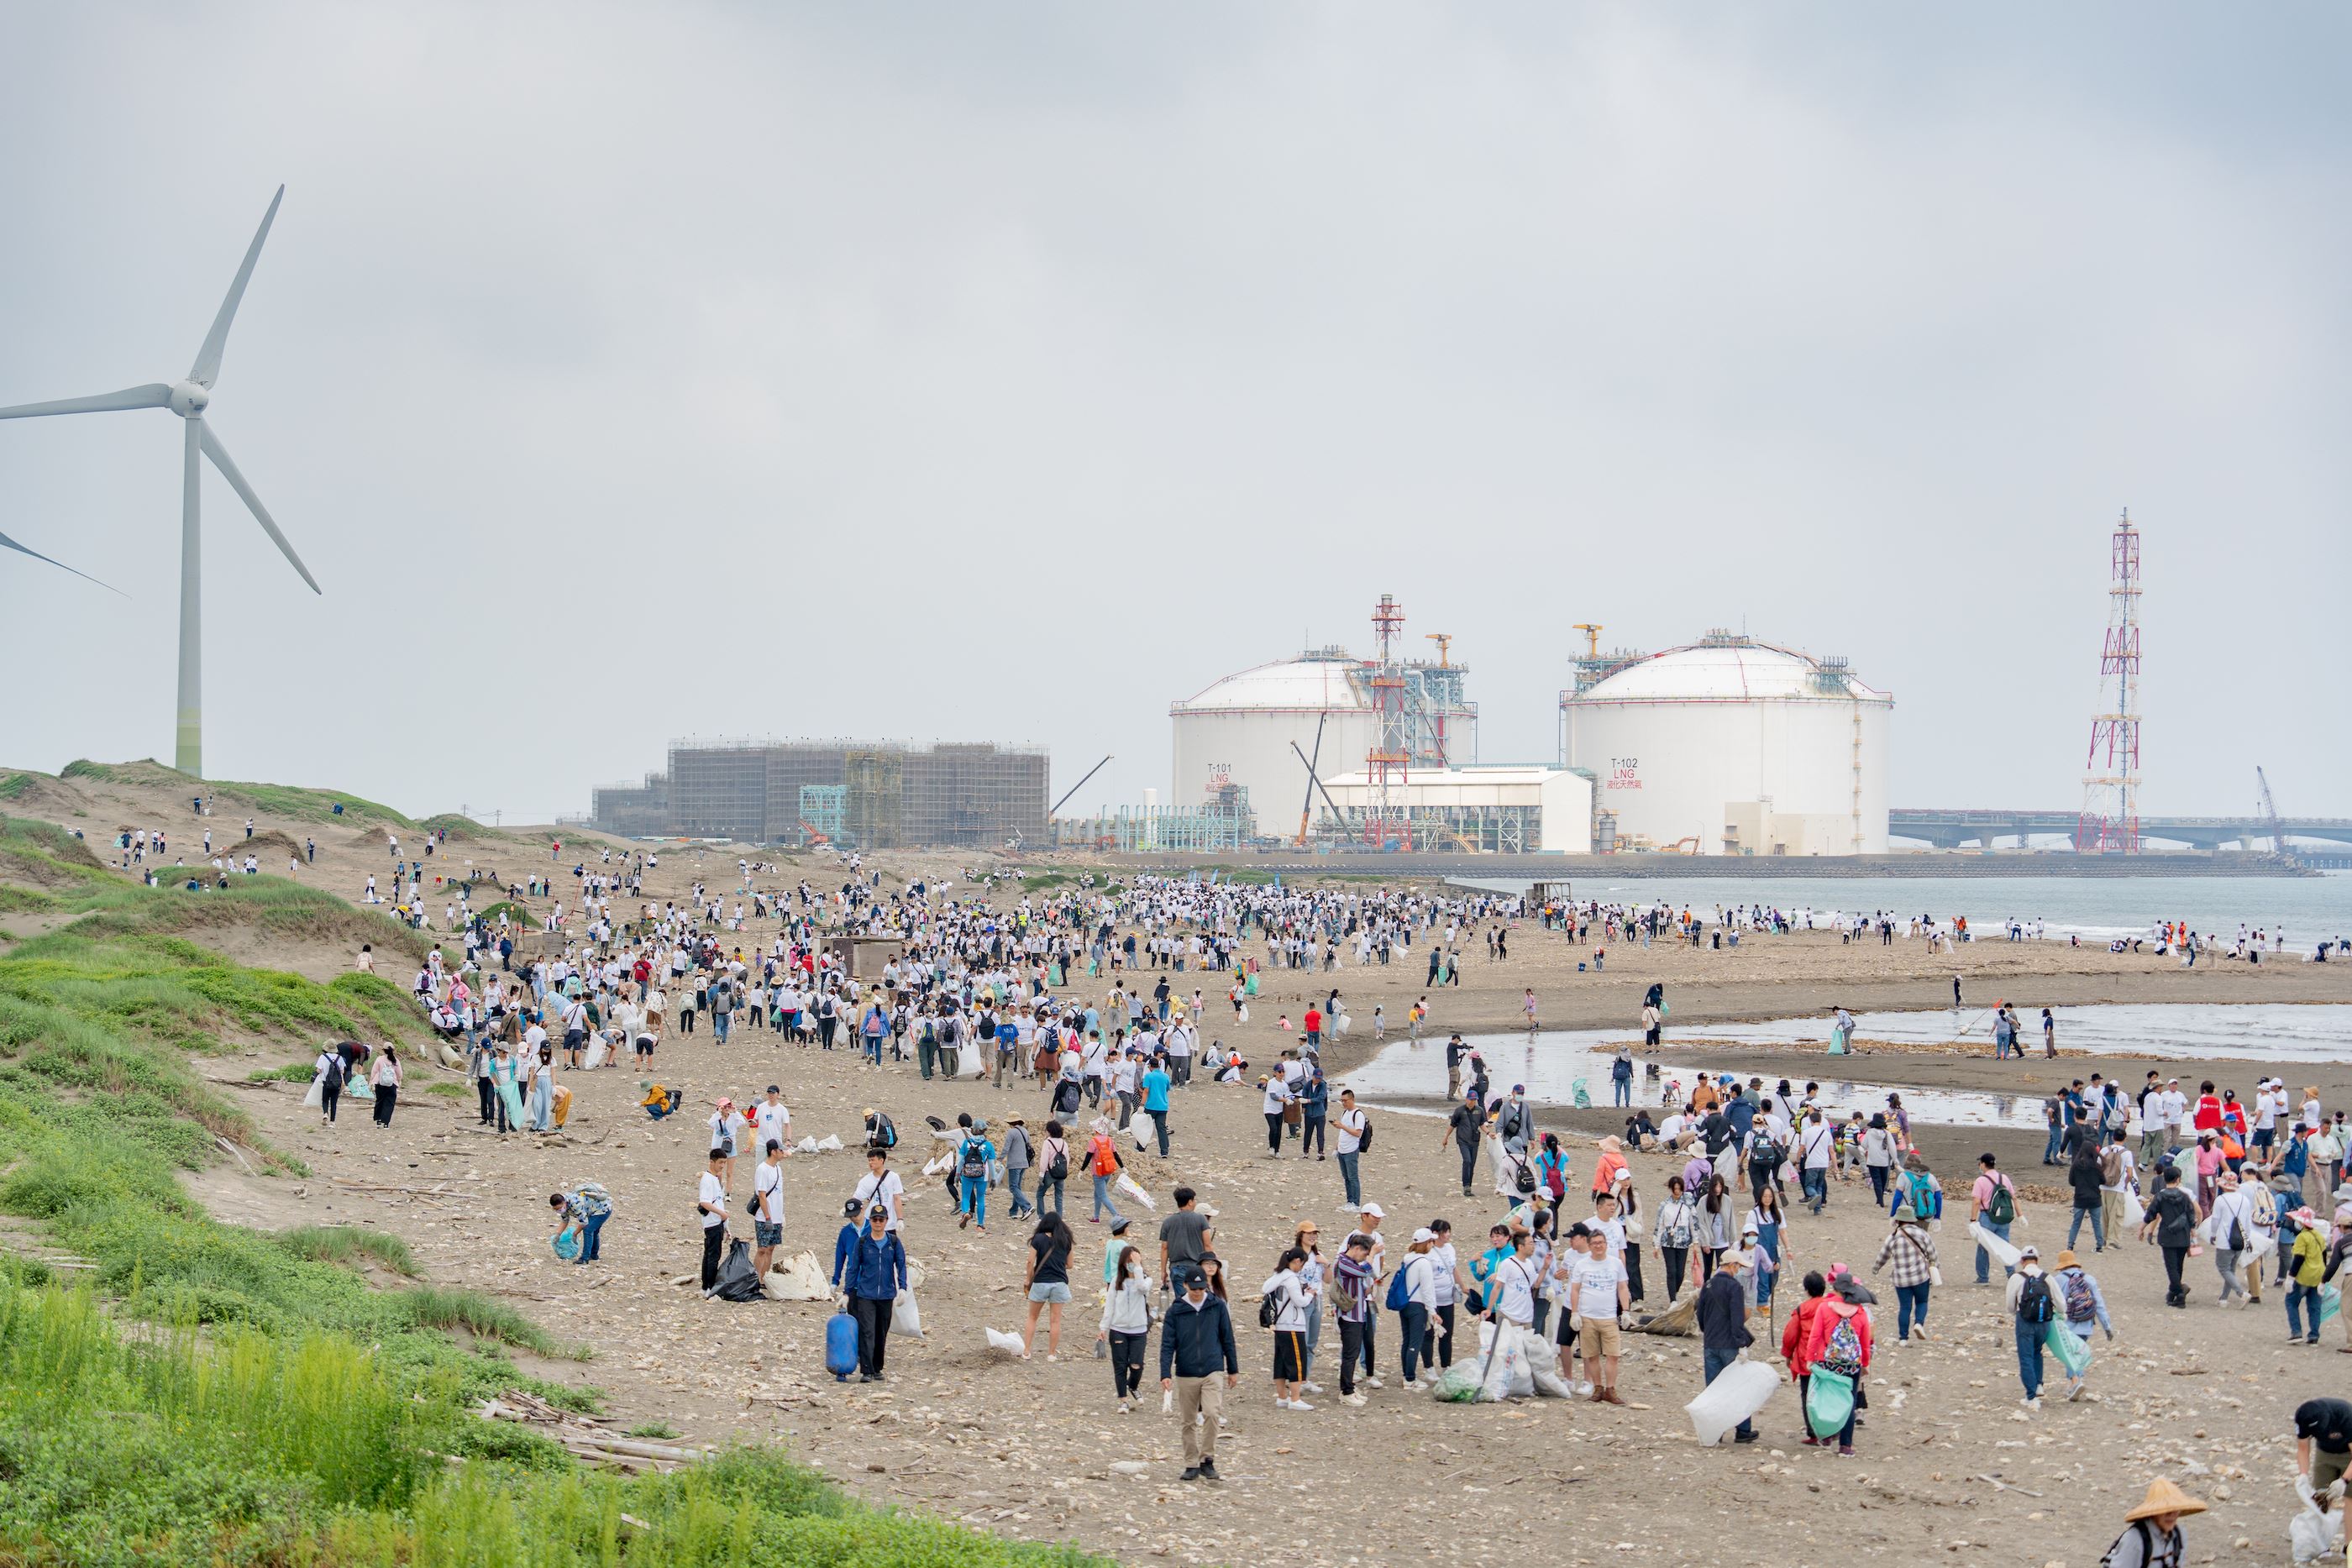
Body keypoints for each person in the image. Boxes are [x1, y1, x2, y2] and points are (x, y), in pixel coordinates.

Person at [1160, 1266, 1239, 1482]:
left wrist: (1233, 1369)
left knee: (1212, 1413)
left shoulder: (1217, 1306)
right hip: (1186, 1372)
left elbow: (1227, 1338)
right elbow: (1167, 1344)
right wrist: (1164, 1373)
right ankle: (1191, 1463)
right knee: (1187, 1421)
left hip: (1212, 1368)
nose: (1197, 1292)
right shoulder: (1176, 1310)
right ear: (1185, 1285)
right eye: (1193, 1288)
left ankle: (1207, 1459)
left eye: (1201, 1287)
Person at [1803, 1270, 1872, 1456]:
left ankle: (1826, 1435)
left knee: (1827, 1398)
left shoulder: (1825, 1308)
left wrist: (1810, 1358)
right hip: (1851, 1363)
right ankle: (1846, 1446)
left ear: (1835, 1288)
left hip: (1829, 1361)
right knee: (1848, 1402)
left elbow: (1816, 1335)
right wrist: (1865, 1363)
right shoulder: (1860, 1311)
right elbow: (1865, 1341)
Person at [838, 1204, 907, 1382]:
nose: (878, 1223)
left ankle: (877, 1368)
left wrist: (903, 1288)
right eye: (875, 1220)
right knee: (867, 1331)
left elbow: (901, 1265)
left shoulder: (893, 1242)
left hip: (886, 1294)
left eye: (881, 1220)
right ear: (870, 1221)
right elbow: (853, 1268)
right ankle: (866, 1371)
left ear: (886, 1221)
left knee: (881, 1332)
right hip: (865, 1294)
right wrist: (846, 1293)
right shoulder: (862, 1243)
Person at [1697, 1249, 1757, 1444]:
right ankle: (1743, 1429)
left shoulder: (1708, 1285)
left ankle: (1715, 1431)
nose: (1739, 1269)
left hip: (1711, 1343)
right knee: (1738, 1388)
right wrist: (1741, 1345)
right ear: (1732, 1265)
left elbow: (1701, 1316)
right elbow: (1736, 1319)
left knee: (1713, 1389)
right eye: (1738, 1266)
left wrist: (1709, 1332)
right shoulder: (1734, 1288)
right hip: (1729, 1345)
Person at [1565, 1222, 1629, 1405]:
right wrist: (1574, 1313)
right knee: (1591, 1355)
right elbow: (1575, 1289)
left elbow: (1622, 1287)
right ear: (1590, 1245)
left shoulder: (1615, 1263)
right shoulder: (1582, 1265)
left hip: (1609, 1316)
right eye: (1595, 1243)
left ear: (1606, 1244)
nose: (1599, 1246)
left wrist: (1625, 1311)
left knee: (1613, 1355)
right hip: (1587, 1316)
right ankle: (1598, 1388)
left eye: (1601, 1242)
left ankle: (1611, 1389)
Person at [2049, 1247, 2114, 1401]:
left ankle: (2076, 1382)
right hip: (2086, 1325)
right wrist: (2107, 1327)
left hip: (2068, 1325)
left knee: (2069, 1355)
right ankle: (2075, 1382)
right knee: (2077, 1354)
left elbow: (2056, 1303)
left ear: (2062, 1266)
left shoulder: (2058, 1280)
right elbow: (2099, 1304)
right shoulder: (2089, 1279)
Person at [2095, 1477, 2205, 1568]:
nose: (2172, 1515)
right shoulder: (2134, 1539)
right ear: (2154, 1513)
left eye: (2175, 1509)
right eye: (2166, 1511)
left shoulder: (2180, 1535)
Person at [1100, 1241, 1154, 1411]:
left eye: (1134, 1260)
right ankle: (1123, 1400)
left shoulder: (1146, 1280)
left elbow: (1141, 1288)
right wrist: (1103, 1328)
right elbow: (1110, 1306)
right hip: (1118, 1329)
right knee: (1120, 1365)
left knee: (1137, 1364)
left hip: (1138, 1329)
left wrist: (1138, 1267)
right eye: (1128, 1261)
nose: (1131, 1264)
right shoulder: (1117, 1281)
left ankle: (1133, 1386)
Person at [1872, 1201, 1938, 1341]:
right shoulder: (1922, 1234)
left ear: (1898, 1220)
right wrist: (1935, 1267)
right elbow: (1932, 1253)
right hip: (1920, 1276)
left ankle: (1903, 1338)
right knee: (1922, 1302)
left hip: (1901, 1279)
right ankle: (1919, 1323)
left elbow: (1883, 1256)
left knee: (1905, 1307)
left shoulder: (1893, 1237)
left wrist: (1876, 1268)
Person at [1262, 1246, 1317, 1409]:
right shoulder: (1291, 1278)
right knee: (1297, 1362)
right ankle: (1295, 1399)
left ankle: (1282, 1397)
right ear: (1298, 1261)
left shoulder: (1278, 1275)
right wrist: (1309, 1294)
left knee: (1280, 1361)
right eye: (1302, 1263)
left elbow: (1265, 1289)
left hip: (1280, 1326)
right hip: (1293, 1325)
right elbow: (1300, 1302)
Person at [1781, 1271, 1830, 1442]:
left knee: (1807, 1395)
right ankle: (1829, 1430)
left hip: (1806, 1359)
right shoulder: (1831, 1306)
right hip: (1829, 1359)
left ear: (1807, 1290)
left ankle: (1813, 1432)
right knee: (1827, 1393)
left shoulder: (1802, 1309)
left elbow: (1790, 1335)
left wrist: (1788, 1354)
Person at [2141, 1165, 2200, 1308]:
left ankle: (2180, 1293)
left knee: (2171, 1267)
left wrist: (2142, 1229)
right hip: (2183, 1235)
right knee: (2178, 1265)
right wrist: (2193, 1233)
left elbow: (2151, 1214)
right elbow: (2192, 1215)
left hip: (2167, 1235)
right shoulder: (2185, 1197)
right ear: (2178, 1179)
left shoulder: (2160, 1196)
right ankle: (2172, 1293)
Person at [2006, 1244, 2054, 1409]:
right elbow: (2060, 1303)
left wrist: (2017, 1313)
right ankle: (2039, 1384)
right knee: (2037, 1352)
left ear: (2022, 1261)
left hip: (2024, 1320)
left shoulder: (2017, 1278)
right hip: (2044, 1321)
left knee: (2025, 1357)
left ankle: (2031, 1396)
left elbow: (2010, 1305)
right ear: (2037, 1260)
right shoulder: (2047, 1278)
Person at [1022, 1212, 1075, 1359]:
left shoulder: (1038, 1239)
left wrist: (1028, 1278)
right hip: (1059, 1283)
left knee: (1032, 1317)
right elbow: (1070, 1265)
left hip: (1041, 1281)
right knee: (1055, 1320)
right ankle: (1051, 1354)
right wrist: (1057, 1263)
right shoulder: (1066, 1240)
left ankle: (1027, 1351)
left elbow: (1030, 1261)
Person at [1970, 1153, 2019, 1285]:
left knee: (1983, 1247)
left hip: (1987, 1216)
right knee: (2004, 1245)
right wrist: (2020, 1215)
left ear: (1983, 1164)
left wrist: (1973, 1220)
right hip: (2003, 1216)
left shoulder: (1981, 1180)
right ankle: (2011, 1273)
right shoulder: (2004, 1178)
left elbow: (1976, 1201)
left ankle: (1983, 1277)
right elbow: (2013, 1197)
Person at [2286, 1205, 2328, 1345]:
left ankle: (2296, 1332)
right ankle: (2314, 1335)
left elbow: (2299, 1258)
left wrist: (2291, 1278)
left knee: (2291, 1302)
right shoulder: (2318, 1236)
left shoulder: (2302, 1238)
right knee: (2314, 1307)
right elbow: (2324, 1257)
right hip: (2319, 1275)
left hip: (2305, 1275)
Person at [2296, 1396, 2352, 1497]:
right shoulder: (2302, 1417)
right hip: (2324, 1452)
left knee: (2350, 1496)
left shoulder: (2346, 1414)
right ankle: (2322, 1512)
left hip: (2348, 1453)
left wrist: (2344, 1481)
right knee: (2321, 1496)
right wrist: (2303, 1475)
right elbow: (2303, 1448)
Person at [549, 1180, 612, 1264]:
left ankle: (584, 1258)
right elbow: (565, 1220)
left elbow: (584, 1222)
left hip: (603, 1209)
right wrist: (558, 1234)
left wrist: (575, 1234)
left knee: (588, 1230)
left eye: (559, 1208)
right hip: (593, 1210)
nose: (559, 1210)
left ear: (564, 1203)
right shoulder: (564, 1205)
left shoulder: (575, 1203)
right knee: (594, 1231)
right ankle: (593, 1255)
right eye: (556, 1209)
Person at [1656, 1174, 1698, 1300]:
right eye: (1675, 1189)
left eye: (1679, 1189)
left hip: (1683, 1242)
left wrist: (1696, 1242)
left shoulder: (1688, 1204)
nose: (1677, 1192)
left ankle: (1674, 1291)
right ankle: (1672, 1299)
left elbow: (1694, 1224)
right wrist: (1656, 1245)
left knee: (1680, 1272)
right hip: (1668, 1241)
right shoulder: (1664, 1205)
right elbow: (1659, 1225)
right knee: (1672, 1271)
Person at [695, 1146, 730, 1295]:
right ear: (712, 1162)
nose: (722, 1165)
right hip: (712, 1222)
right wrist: (721, 1213)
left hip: (717, 1222)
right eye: (720, 1162)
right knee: (712, 1256)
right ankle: (708, 1287)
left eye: (724, 1163)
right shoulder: (708, 1180)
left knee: (710, 1254)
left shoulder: (714, 1179)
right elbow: (705, 1202)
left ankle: (707, 1286)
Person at [958, 1118, 998, 1234]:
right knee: (981, 1199)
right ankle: (980, 1225)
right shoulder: (988, 1145)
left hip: (967, 1174)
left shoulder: (967, 1143)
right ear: (984, 1130)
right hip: (982, 1176)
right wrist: (993, 1179)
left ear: (972, 1130)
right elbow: (991, 1164)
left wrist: (957, 1173)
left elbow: (960, 1161)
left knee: (965, 1196)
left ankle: (966, 1213)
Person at [1441, 1090, 1483, 1198]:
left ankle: (1469, 1186)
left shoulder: (1479, 1111)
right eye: (1471, 1099)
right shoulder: (1459, 1111)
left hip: (1475, 1141)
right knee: (1467, 1161)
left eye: (1474, 1100)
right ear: (1467, 1099)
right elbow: (1453, 1125)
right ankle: (1466, 1186)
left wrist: (1488, 1133)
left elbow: (1482, 1124)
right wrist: (1446, 1137)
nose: (1472, 1102)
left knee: (1472, 1164)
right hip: (1463, 1141)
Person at [852, 1148, 904, 1233]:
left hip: (889, 1223)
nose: (870, 1163)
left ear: (881, 1160)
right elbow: (856, 1198)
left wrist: (900, 1219)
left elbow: (897, 1199)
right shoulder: (866, 1180)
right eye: (869, 1160)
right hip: (871, 1221)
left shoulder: (893, 1177)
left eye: (873, 1160)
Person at [1334, 1090, 1370, 1209]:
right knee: (1346, 1178)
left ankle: (1356, 1203)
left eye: (1345, 1101)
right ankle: (1349, 1201)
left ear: (1352, 1100)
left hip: (1351, 1150)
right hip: (1342, 1150)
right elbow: (1342, 1133)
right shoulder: (1345, 1113)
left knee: (1353, 1177)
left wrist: (1342, 1126)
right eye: (1342, 1100)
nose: (1343, 1103)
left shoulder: (1358, 1114)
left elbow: (1358, 1133)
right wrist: (1337, 1147)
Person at [370, 1046, 402, 1128]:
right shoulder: (396, 1060)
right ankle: (386, 1123)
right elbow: (399, 1073)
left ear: (383, 1050)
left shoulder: (379, 1059)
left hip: (380, 1083)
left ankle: (378, 1120)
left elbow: (374, 1071)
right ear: (393, 1050)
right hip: (392, 1084)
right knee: (389, 1103)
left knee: (380, 1101)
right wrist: (398, 1080)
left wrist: (372, 1080)